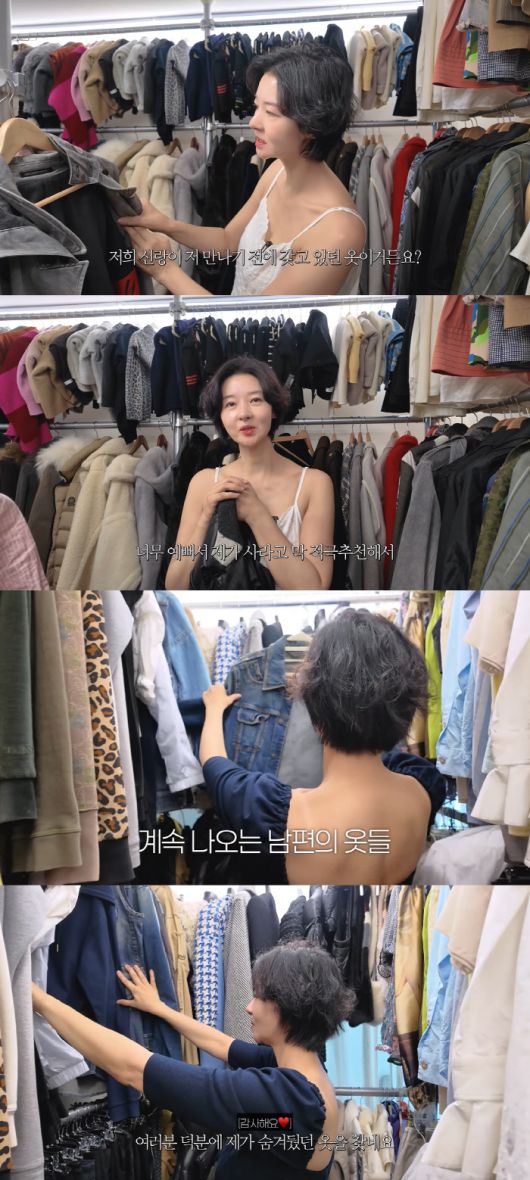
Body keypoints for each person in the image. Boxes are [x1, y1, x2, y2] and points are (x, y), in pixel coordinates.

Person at [32, 941, 353, 1178]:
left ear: (288, 1005)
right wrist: (161, 1009)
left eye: (259, 997)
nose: (248, 1007)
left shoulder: (286, 1099)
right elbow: (223, 1044)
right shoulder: (304, 1068)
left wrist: (39, 1000)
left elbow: (133, 1068)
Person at [199, 609, 447, 885]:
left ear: (316, 716)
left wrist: (214, 709)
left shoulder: (277, 815)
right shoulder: (422, 789)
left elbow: (215, 765)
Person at [118, 44, 366, 297]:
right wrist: (165, 224)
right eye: (257, 107)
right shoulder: (277, 171)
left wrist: (163, 270)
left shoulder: (339, 232)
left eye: (271, 112)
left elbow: (260, 317)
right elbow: (227, 240)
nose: (254, 122)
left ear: (313, 124)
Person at [165, 356, 335, 590]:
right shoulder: (203, 483)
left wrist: (257, 515)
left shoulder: (314, 484)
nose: (243, 413)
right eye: (230, 404)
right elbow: (175, 585)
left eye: (255, 400)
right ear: (221, 417)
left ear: (273, 408)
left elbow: (314, 587)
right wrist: (206, 517)